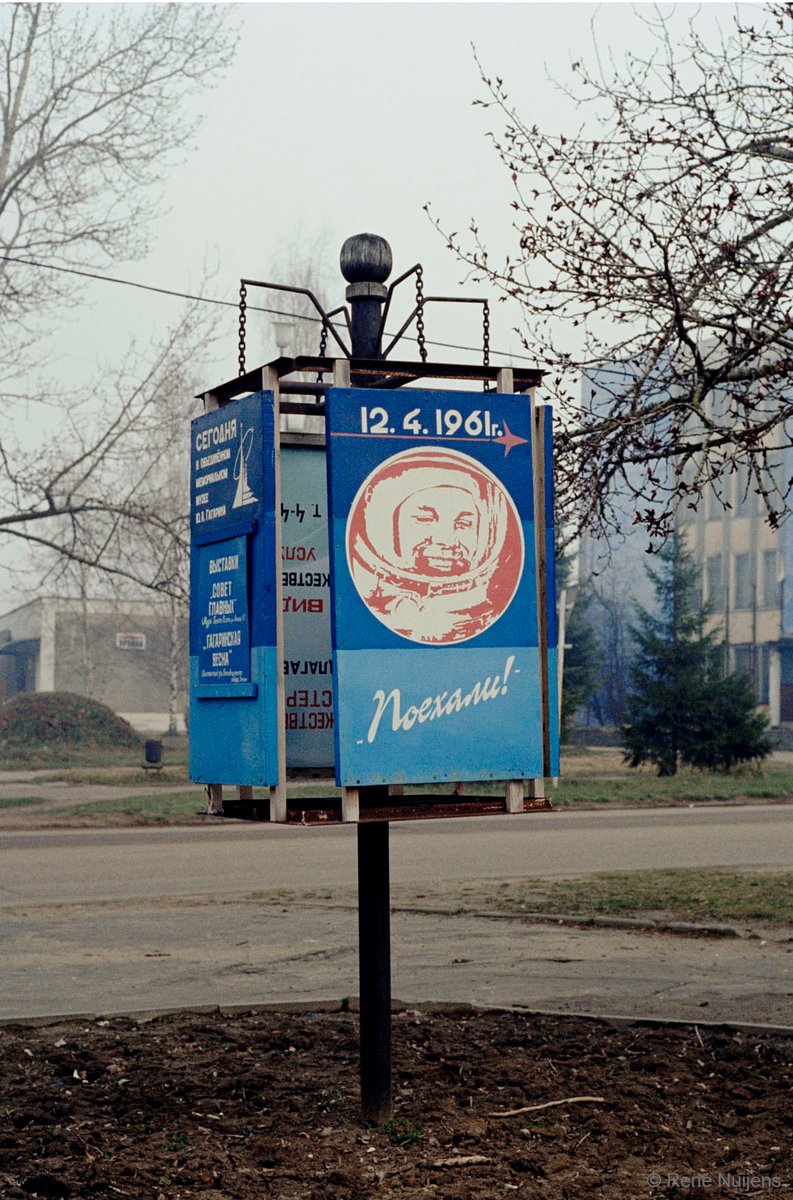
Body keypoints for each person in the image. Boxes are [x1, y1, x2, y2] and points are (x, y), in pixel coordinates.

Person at [346, 446, 523, 644]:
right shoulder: (362, 612)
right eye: (425, 519)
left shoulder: (491, 619)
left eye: (463, 524)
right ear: (385, 526)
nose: (447, 541)